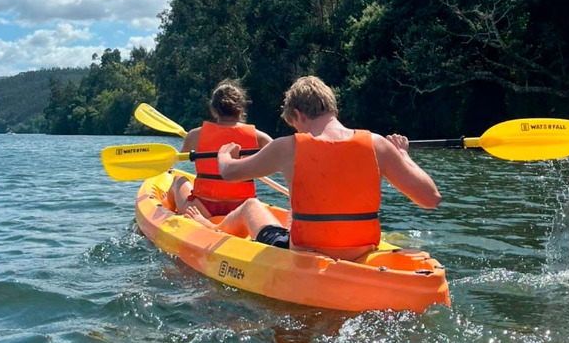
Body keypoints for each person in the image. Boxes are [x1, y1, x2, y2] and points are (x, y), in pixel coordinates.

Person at [184, 75, 441, 261]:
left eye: (295, 125)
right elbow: (430, 199)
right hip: (361, 253)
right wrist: (403, 156)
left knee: (251, 206)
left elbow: (229, 173)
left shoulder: (288, 147)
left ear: (299, 115)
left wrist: (225, 154)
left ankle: (212, 229)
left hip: (306, 254)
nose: (298, 132)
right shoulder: (378, 145)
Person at [166, 79, 273, 217]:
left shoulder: (194, 135)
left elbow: (180, 159)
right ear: (240, 109)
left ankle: (167, 209)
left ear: (213, 109)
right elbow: (277, 157)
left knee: (178, 180)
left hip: (201, 209)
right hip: (240, 209)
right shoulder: (259, 137)